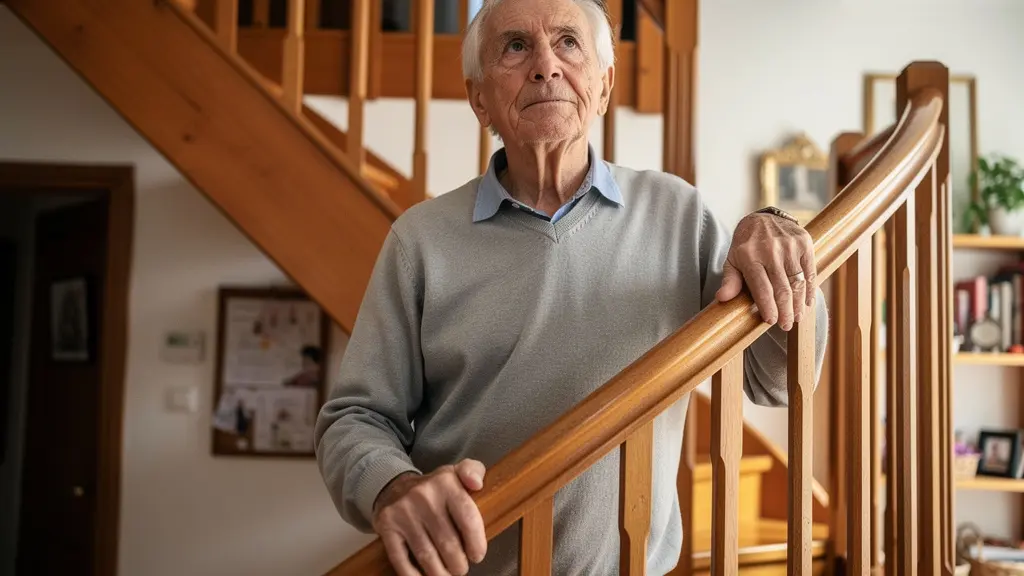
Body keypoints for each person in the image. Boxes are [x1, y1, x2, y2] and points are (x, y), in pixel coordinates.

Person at [314, 0, 830, 574]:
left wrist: (776, 231)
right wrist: (394, 487)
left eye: (567, 42)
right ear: (479, 98)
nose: (545, 66)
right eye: (516, 46)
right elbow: (354, 419)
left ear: (603, 85)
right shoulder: (419, 241)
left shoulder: (678, 214)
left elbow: (774, 380)